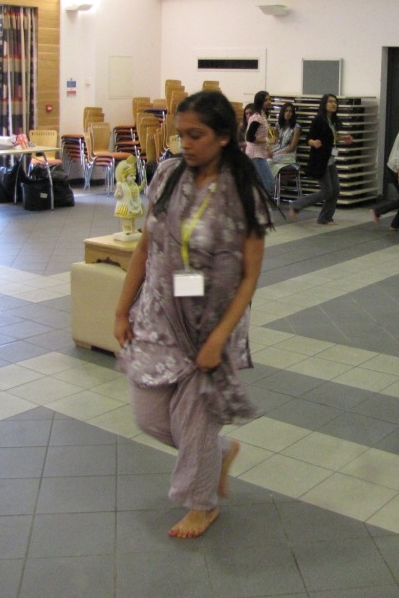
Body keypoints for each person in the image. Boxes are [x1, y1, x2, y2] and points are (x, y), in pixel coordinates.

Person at [113, 89, 273, 539]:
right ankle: (218, 454)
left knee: (196, 415)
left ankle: (201, 504)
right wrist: (122, 308)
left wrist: (221, 337)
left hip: (209, 325)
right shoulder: (166, 174)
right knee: (148, 415)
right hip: (159, 315)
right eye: (180, 134)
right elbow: (147, 245)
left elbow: (249, 278)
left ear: (223, 137)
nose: (185, 143)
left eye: (195, 135)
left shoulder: (243, 194)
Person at [287, 93, 353, 225]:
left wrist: (342, 138)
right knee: (327, 191)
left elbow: (330, 138)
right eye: (330, 101)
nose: (333, 104)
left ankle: (325, 217)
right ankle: (296, 205)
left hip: (330, 159)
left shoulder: (332, 121)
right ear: (324, 104)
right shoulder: (319, 120)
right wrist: (314, 143)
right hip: (320, 161)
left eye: (335, 102)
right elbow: (308, 138)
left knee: (336, 189)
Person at [244, 90, 274, 196]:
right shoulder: (257, 118)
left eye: (269, 99)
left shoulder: (262, 116)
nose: (269, 101)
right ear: (260, 101)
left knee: (261, 184)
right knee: (269, 184)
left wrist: (268, 148)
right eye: (266, 100)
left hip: (260, 154)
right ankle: (262, 207)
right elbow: (249, 137)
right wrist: (267, 140)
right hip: (255, 155)